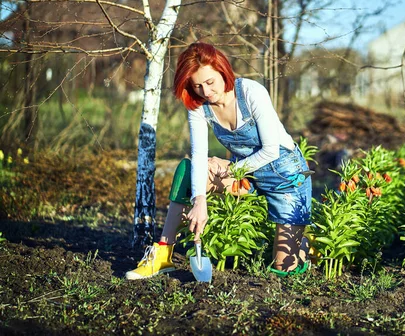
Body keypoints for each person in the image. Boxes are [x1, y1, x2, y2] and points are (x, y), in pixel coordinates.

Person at [126, 42, 312, 280]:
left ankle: (301, 246)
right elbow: (200, 153)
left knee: (282, 270)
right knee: (189, 169)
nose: (205, 91)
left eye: (210, 82)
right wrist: (199, 200)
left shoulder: (250, 92)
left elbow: (271, 151)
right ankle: (162, 254)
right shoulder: (198, 107)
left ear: (222, 70)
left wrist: (233, 169)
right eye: (197, 85)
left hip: (285, 177)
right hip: (246, 177)